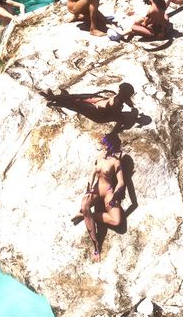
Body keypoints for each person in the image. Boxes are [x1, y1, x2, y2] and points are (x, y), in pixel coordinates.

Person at [71, 134, 127, 262]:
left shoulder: (116, 161)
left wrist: (114, 196)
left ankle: (86, 215)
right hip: (96, 190)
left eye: (105, 144)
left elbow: (121, 182)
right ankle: (96, 246)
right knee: (85, 204)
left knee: (117, 221)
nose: (103, 145)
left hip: (108, 192)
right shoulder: (99, 157)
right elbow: (92, 174)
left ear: (111, 145)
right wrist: (89, 188)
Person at [40, 82, 137, 124]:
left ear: (122, 91)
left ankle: (53, 101)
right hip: (101, 101)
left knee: (76, 104)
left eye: (120, 88)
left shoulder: (118, 102)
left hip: (97, 110)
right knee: (77, 97)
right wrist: (132, 107)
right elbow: (130, 104)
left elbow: (118, 118)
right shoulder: (123, 98)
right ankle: (53, 98)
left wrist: (111, 134)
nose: (118, 88)